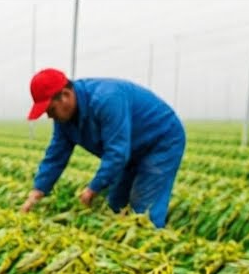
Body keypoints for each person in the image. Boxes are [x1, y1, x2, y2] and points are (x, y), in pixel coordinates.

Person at [18, 68, 185, 229]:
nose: (49, 116)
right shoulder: (64, 121)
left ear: (65, 95)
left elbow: (117, 153)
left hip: (161, 140)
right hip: (132, 147)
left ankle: (150, 242)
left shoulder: (106, 99)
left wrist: (92, 189)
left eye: (51, 110)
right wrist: (37, 192)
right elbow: (55, 156)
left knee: (143, 211)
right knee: (114, 204)